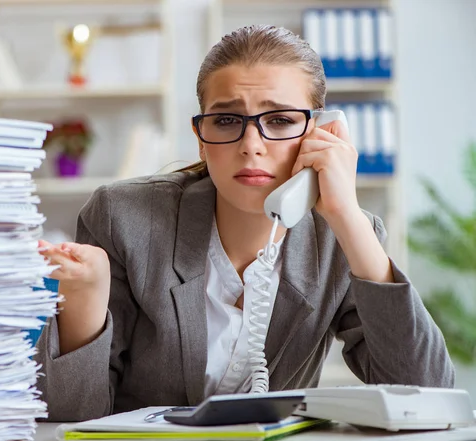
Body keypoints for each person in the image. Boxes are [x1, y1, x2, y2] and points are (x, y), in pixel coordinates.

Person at [35, 25, 454, 423]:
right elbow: (68, 418)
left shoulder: (345, 239)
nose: (251, 146)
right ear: (200, 136)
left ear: (322, 133)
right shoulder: (122, 217)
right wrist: (84, 303)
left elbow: (427, 393)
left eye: (281, 120)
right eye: (226, 121)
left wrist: (347, 217)